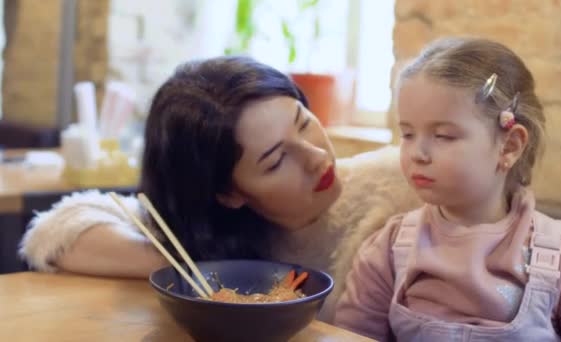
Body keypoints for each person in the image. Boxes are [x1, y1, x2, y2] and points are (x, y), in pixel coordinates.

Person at [18, 56, 420, 322]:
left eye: (303, 121)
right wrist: (203, 271)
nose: (317, 157)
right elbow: (54, 231)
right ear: (228, 194)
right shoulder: (228, 231)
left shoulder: (402, 181)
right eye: (276, 160)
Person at [334, 37, 561, 340]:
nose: (417, 153)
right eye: (408, 134)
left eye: (443, 136)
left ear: (510, 146)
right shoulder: (387, 250)